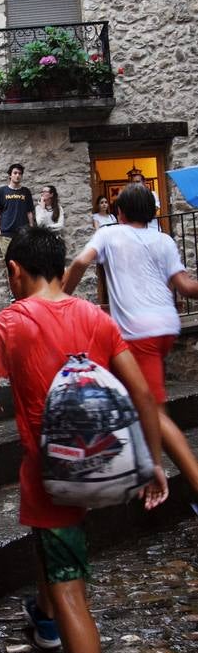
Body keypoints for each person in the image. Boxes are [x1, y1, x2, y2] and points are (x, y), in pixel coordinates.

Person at [0, 226, 168, 653]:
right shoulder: (96, 320)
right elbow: (142, 393)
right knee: (55, 553)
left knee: (70, 583)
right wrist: (153, 464)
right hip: (102, 468)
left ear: (15, 271)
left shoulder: (6, 324)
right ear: (60, 267)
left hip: (54, 478)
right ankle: (45, 619)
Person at [65, 182, 198, 499]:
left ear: (119, 212)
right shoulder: (163, 239)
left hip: (139, 334)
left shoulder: (109, 233)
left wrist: (59, 296)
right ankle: (144, 465)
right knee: (139, 400)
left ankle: (185, 479)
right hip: (166, 327)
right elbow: (186, 286)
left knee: (154, 410)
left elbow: (81, 262)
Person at [0, 163, 35, 255]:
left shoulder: (26, 191)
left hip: (23, 234)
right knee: (9, 263)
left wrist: (31, 229)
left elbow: (29, 212)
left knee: (24, 263)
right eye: (15, 173)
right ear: (10, 175)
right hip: (6, 234)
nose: (17, 175)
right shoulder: (2, 191)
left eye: (20, 173)